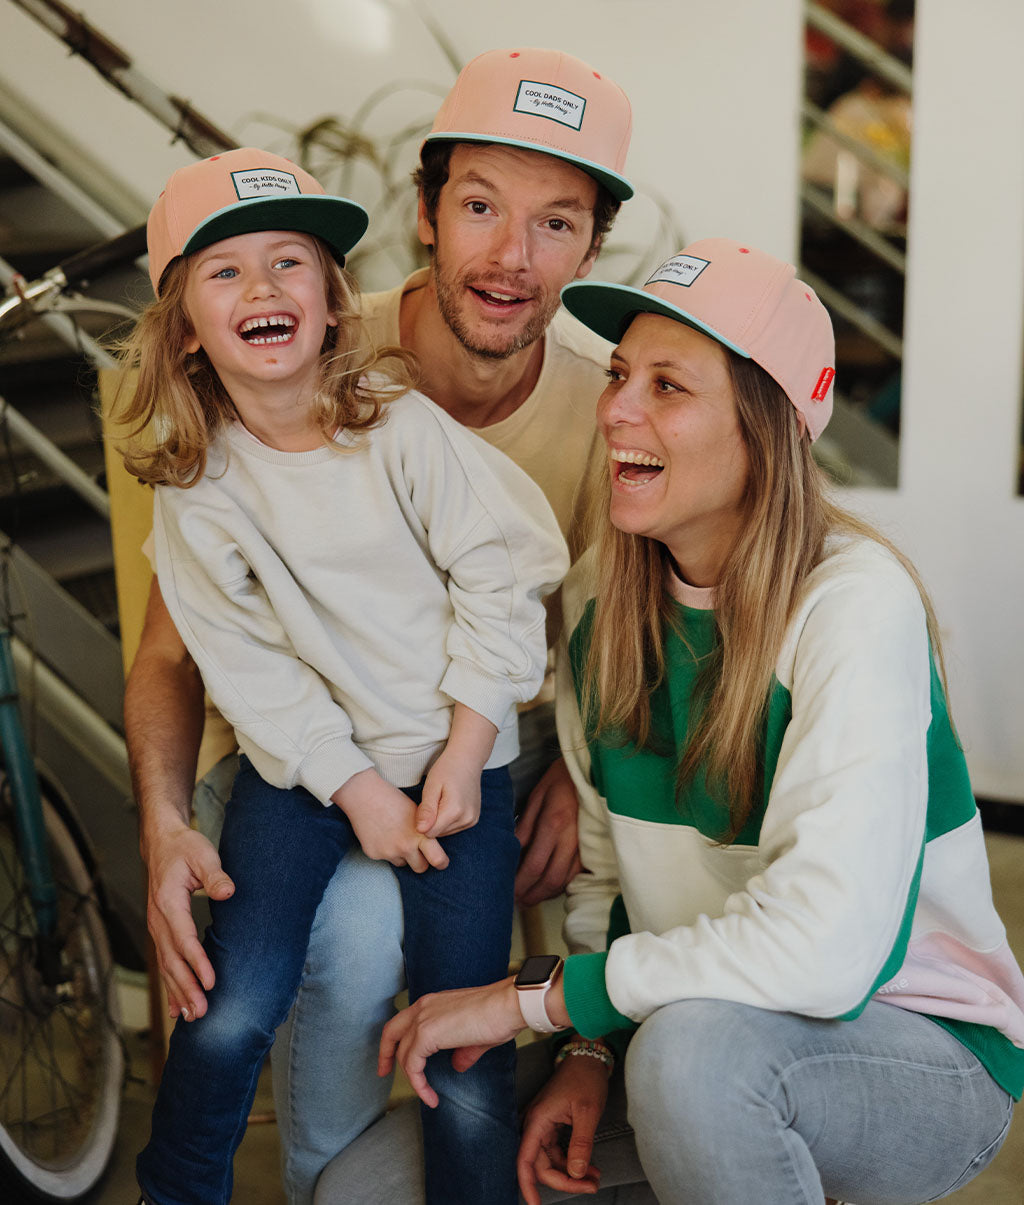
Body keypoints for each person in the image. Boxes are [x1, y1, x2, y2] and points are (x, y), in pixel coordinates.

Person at [377, 239, 1024, 1205]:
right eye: (621, 374)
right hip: (688, 1026)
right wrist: (591, 1048)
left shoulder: (853, 605)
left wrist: (537, 1000)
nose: (615, 409)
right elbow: (607, 875)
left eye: (668, 387)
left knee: (693, 1061)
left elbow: (822, 948)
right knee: (369, 1185)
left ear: (767, 428)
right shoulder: (603, 596)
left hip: (917, 1051)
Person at [125, 46, 634, 1203]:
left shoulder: (603, 414)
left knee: (454, 996)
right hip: (291, 759)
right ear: (421, 214)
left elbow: (619, 639)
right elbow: (185, 653)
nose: (509, 255)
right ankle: (323, 1184)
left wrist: (574, 776)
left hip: (465, 754)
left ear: (593, 249)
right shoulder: (270, 387)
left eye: (555, 223)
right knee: (341, 941)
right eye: (478, 207)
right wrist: (162, 824)